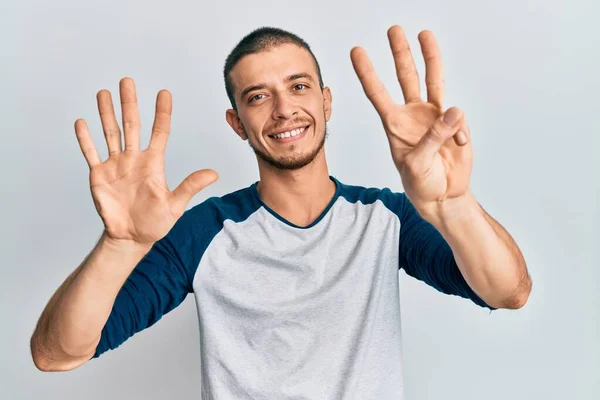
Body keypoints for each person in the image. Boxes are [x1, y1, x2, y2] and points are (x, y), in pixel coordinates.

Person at [30, 25, 532, 398]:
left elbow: (508, 291)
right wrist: (121, 246)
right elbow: (56, 354)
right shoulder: (206, 232)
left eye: (298, 86)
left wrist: (452, 203)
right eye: (257, 96)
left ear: (326, 101)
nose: (284, 109)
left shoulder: (386, 217)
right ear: (237, 122)